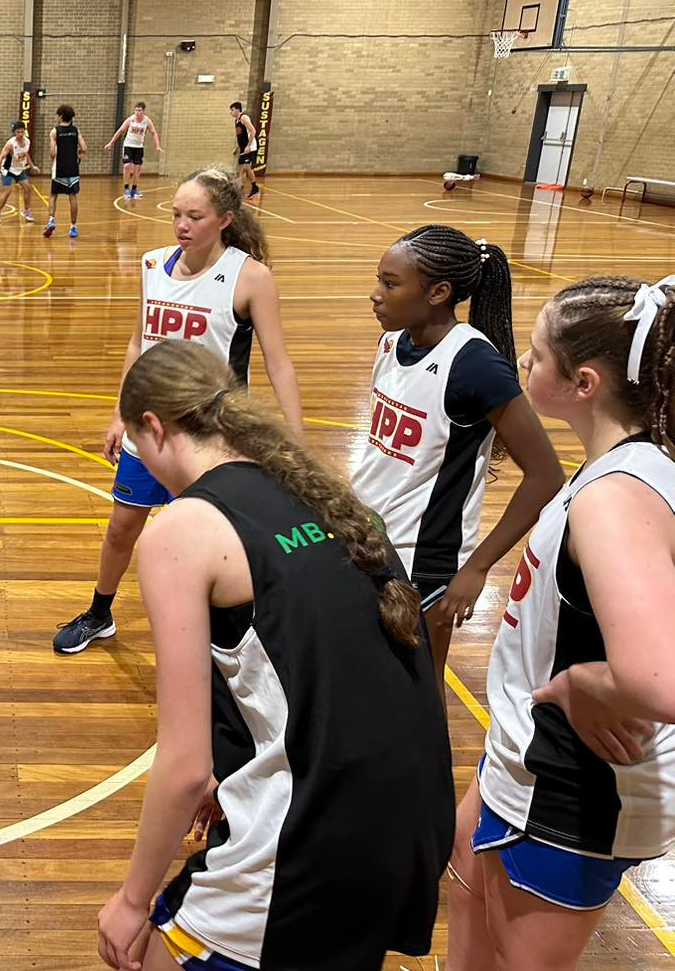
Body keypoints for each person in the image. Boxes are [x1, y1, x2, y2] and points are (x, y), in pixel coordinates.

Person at [95, 340, 453, 971]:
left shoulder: (181, 531)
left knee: (144, 949)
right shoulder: (328, 497)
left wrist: (131, 899)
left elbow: (182, 766)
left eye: (132, 445)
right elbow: (312, 663)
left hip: (308, 842)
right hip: (408, 828)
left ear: (154, 427)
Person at [447, 274, 675, 971]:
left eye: (536, 356)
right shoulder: (624, 467)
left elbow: (659, 678)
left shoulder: (616, 498)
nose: (523, 365)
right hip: (525, 760)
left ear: (583, 382)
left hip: (572, 793)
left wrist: (593, 683)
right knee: (463, 882)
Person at [53, 167, 304, 655]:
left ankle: (212, 641)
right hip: (149, 430)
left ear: (225, 219)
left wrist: (295, 441)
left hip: (212, 439)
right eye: (176, 215)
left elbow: (279, 362)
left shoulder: (250, 276)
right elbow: (137, 343)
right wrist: (118, 415)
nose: (182, 225)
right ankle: (99, 613)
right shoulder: (152, 265)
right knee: (122, 527)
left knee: (201, 542)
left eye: (195, 216)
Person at [351, 225, 563, 680]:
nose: (375, 294)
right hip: (366, 537)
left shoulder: (474, 364)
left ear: (438, 292)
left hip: (423, 563)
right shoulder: (392, 340)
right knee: (363, 680)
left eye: (390, 283)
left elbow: (546, 474)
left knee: (416, 691)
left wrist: (476, 568)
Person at [104, 101, 162, 201]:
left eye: (139, 110)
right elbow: (120, 131)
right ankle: (126, 188)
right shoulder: (131, 119)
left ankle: (134, 189)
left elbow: (154, 133)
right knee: (127, 166)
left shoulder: (147, 121)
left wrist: (157, 146)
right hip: (128, 145)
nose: (136, 112)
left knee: (138, 168)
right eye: (135, 110)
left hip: (139, 147)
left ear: (143, 111)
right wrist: (111, 142)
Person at [44, 104, 86, 239]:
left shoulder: (55, 131)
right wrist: (78, 153)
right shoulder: (75, 130)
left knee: (53, 195)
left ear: (61, 116)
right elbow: (84, 148)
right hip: (73, 168)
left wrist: (54, 158)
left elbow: (51, 152)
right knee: (72, 197)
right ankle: (73, 227)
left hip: (59, 168)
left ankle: (51, 219)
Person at [0, 120, 37, 224]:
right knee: (7, 191)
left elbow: (26, 154)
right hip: (8, 169)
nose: (20, 134)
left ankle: (26, 211)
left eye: (22, 131)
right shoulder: (11, 144)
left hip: (19, 169)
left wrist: (32, 165)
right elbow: (1, 157)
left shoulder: (27, 141)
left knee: (27, 188)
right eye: (18, 132)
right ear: (14, 133)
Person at [229, 102, 259, 198]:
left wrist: (248, 146)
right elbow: (241, 136)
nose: (231, 112)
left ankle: (255, 188)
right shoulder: (236, 121)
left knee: (245, 168)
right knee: (242, 171)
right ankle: (240, 190)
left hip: (250, 147)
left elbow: (253, 131)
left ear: (238, 109)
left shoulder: (244, 118)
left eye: (232, 110)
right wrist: (237, 147)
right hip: (243, 148)